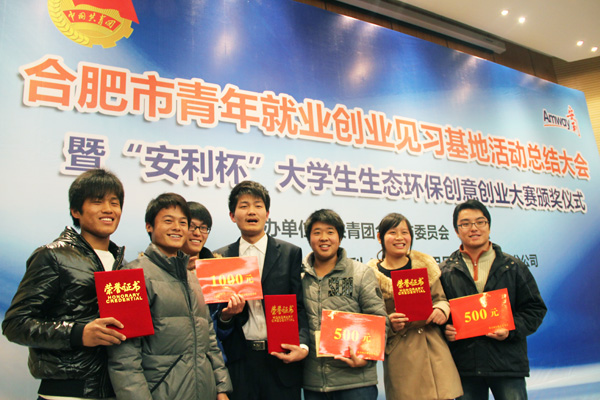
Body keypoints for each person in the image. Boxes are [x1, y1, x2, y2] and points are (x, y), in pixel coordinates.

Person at [2, 168, 126, 399]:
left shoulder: (123, 265)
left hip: (114, 390)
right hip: (65, 392)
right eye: (97, 201)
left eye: (114, 203)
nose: (108, 209)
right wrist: (77, 333)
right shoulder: (53, 256)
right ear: (76, 211)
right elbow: (15, 324)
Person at [107, 193, 232, 400]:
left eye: (183, 222)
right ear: (149, 226)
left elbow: (210, 342)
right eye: (168, 221)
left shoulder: (193, 279)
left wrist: (221, 388)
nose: (177, 228)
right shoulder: (127, 278)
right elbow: (124, 359)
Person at [440, 199, 547, 400]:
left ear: (489, 226)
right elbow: (439, 312)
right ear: (456, 231)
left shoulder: (513, 266)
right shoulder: (444, 271)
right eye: (465, 224)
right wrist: (445, 330)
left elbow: (535, 309)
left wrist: (510, 329)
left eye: (480, 222)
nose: (474, 228)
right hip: (465, 367)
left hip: (507, 364)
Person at [214, 180, 309, 400]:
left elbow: (299, 306)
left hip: (281, 359)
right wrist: (227, 316)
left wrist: (303, 345)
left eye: (258, 206)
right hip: (240, 361)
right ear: (232, 215)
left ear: (267, 214)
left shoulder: (290, 253)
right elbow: (216, 318)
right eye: (244, 206)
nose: (251, 211)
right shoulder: (221, 258)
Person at [366, 212, 462, 400]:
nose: (400, 238)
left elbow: (441, 299)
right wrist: (389, 323)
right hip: (400, 353)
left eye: (405, 232)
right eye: (392, 232)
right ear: (379, 237)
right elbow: (369, 320)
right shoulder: (370, 276)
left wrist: (441, 310)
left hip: (433, 349)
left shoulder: (424, 266)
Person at [301, 209, 388, 400]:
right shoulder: (299, 276)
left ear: (340, 238)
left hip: (355, 383)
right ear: (309, 238)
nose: (324, 238)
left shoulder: (360, 273)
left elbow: (379, 319)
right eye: (317, 232)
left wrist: (366, 357)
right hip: (313, 384)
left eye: (330, 232)